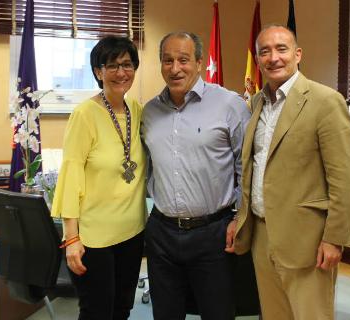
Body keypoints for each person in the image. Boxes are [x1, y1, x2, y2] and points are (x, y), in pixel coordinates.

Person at [226, 25, 350, 320]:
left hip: (307, 240)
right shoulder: (258, 102)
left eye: (281, 49)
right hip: (262, 234)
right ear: (258, 60)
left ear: (297, 55)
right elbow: (254, 168)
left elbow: (344, 178)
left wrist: (334, 238)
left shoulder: (325, 101)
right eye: (265, 51)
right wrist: (241, 216)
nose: (273, 57)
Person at [142, 31, 251, 320]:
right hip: (162, 233)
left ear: (200, 62)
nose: (175, 68)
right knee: (165, 313)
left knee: (217, 313)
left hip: (213, 233)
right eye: (167, 60)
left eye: (183, 59)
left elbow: (247, 167)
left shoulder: (230, 105)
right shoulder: (149, 112)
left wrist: (240, 216)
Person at [51, 35, 146, 320]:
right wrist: (71, 238)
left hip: (132, 231)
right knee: (97, 312)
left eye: (127, 65)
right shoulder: (85, 114)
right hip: (94, 238)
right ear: (98, 71)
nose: (121, 73)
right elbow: (71, 176)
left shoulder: (137, 110)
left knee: (122, 309)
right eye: (112, 65)